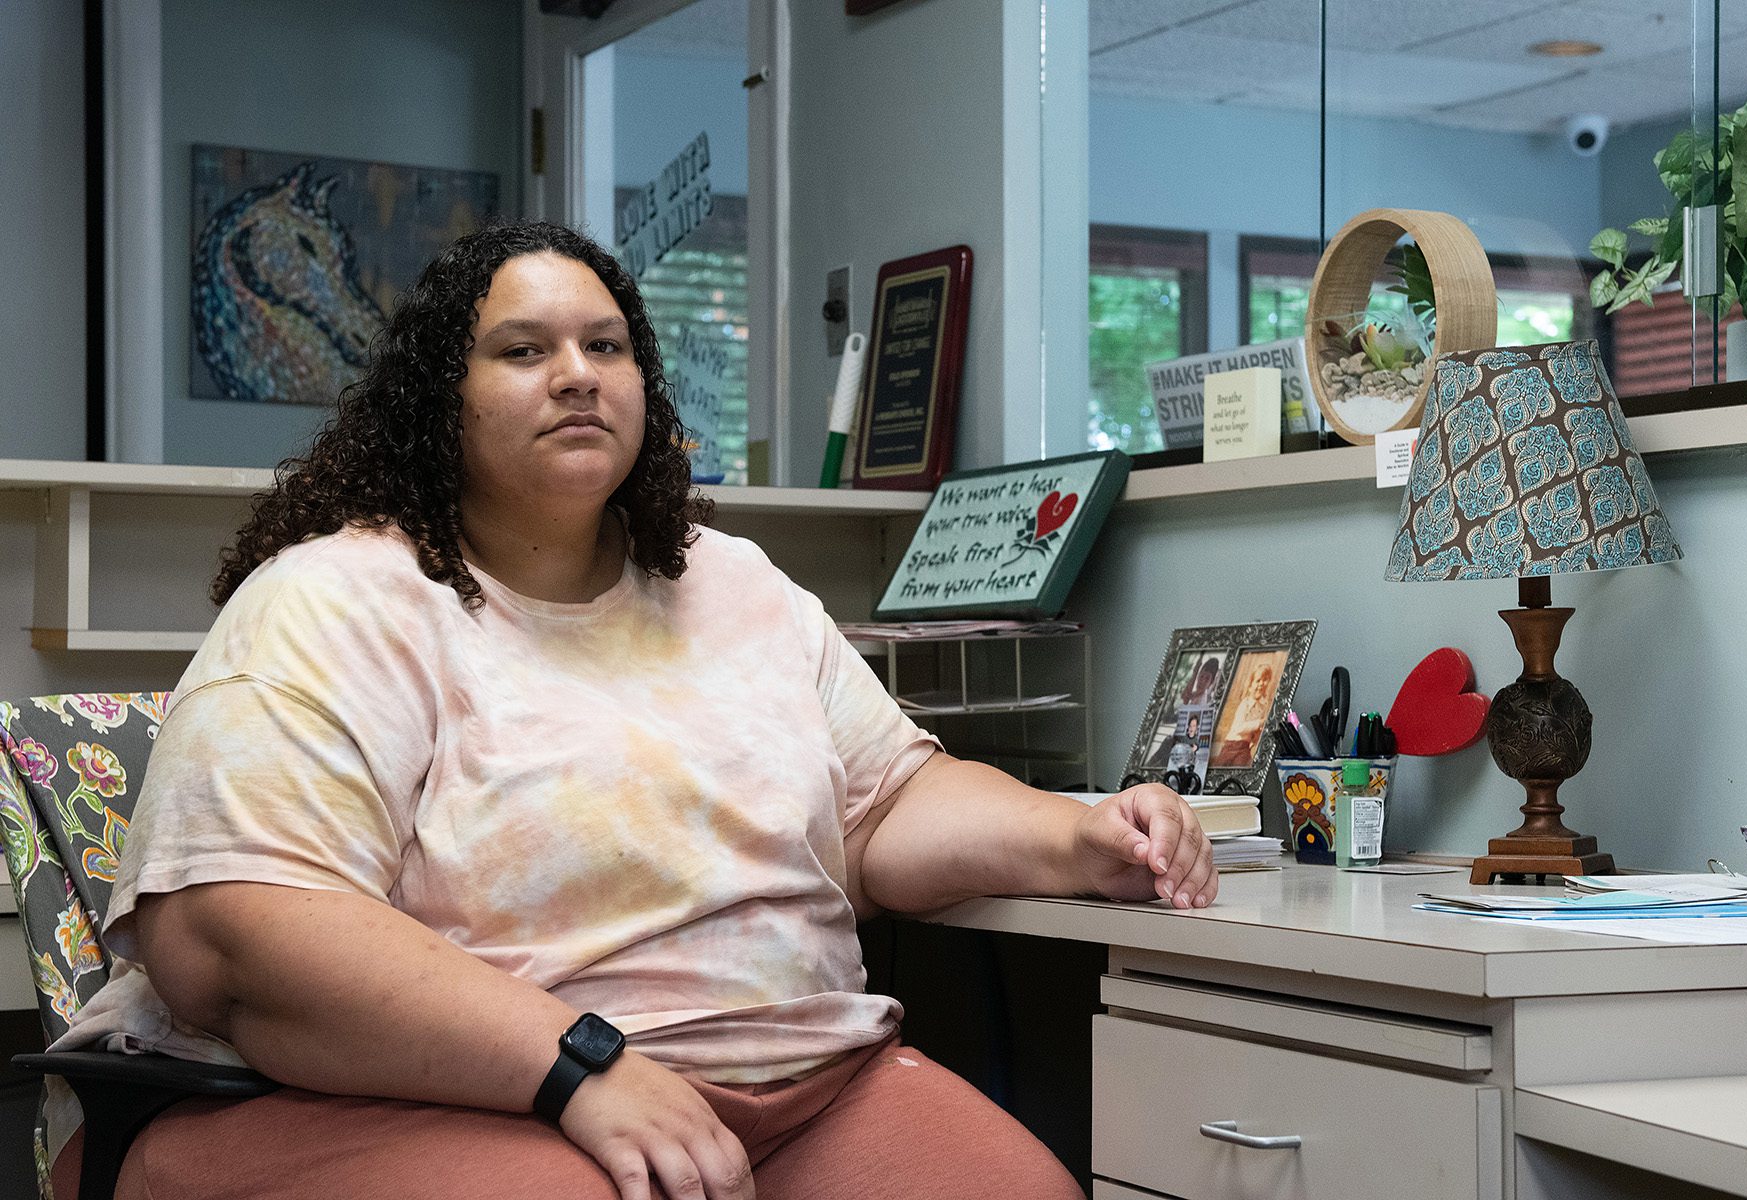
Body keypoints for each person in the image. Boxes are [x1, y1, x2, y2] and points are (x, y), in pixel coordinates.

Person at [50, 221, 1218, 1200]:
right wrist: (579, 1068)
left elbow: (887, 803)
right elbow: (238, 940)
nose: (576, 373)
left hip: (791, 1081)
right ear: (434, 400)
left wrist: (1079, 837)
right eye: (522, 349)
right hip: (435, 1092)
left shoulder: (736, 585)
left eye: (604, 345)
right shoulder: (333, 602)